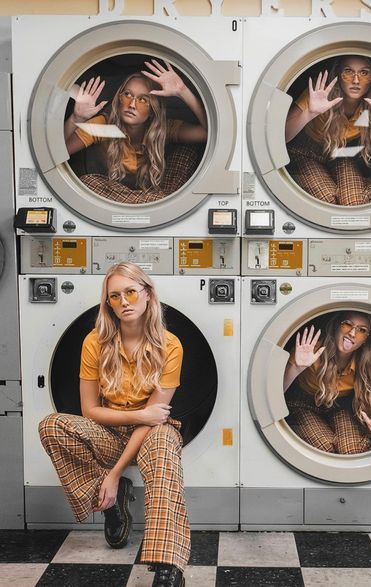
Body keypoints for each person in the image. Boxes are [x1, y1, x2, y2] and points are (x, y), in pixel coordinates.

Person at [39, 262, 188, 587]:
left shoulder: (170, 345)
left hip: (153, 432)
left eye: (131, 292)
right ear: (108, 302)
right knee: (52, 425)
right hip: (110, 430)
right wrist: (137, 419)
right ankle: (113, 502)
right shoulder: (96, 342)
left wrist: (115, 469)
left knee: (163, 444)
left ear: (148, 294)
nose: (124, 302)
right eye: (115, 296)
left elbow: (154, 417)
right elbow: (90, 410)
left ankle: (168, 567)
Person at [64, 59, 207, 204]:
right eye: (127, 95)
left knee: (186, 153)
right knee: (87, 182)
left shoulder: (163, 128)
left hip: (156, 191)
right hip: (132, 197)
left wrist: (183, 91)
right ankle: (156, 203)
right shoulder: (104, 127)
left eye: (143, 100)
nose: (132, 105)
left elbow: (209, 133)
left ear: (152, 110)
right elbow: (57, 153)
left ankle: (156, 201)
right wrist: (76, 118)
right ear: (118, 99)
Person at [285, 55, 371, 206]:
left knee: (354, 202)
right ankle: (362, 184)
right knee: (327, 199)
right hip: (305, 153)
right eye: (348, 71)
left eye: (364, 73)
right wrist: (309, 113)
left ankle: (369, 183)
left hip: (341, 154)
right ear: (338, 74)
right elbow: (281, 137)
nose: (356, 80)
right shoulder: (320, 95)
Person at [283, 312, 371, 454]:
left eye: (362, 330)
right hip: (303, 405)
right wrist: (297, 367)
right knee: (325, 448)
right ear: (336, 326)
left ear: (366, 338)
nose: (353, 333)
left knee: (353, 450)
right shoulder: (309, 351)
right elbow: (277, 392)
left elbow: (366, 409)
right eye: (347, 324)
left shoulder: (365, 362)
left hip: (342, 408)